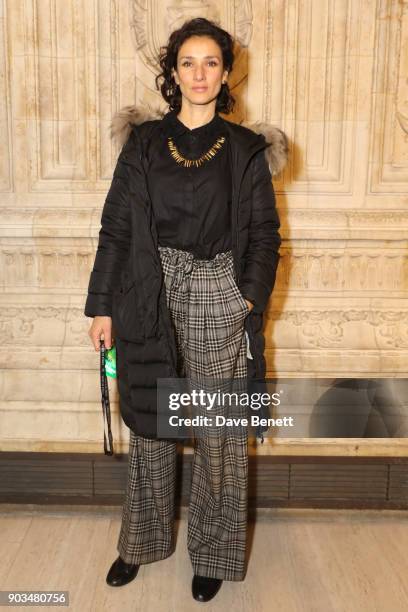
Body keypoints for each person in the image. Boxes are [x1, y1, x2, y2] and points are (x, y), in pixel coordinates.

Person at [84, 17, 288, 603]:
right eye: (188, 63)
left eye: (212, 63)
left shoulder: (246, 150)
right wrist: (103, 308)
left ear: (226, 74)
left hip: (218, 293)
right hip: (148, 289)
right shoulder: (145, 145)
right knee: (151, 424)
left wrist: (242, 297)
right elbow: (116, 228)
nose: (199, 74)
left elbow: (266, 237)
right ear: (172, 73)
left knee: (218, 432)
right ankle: (141, 544)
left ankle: (214, 553)